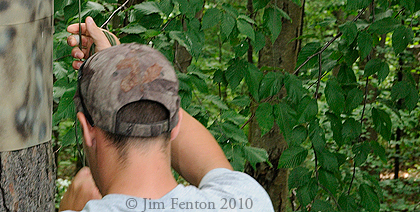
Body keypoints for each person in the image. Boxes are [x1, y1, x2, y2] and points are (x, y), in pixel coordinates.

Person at [59, 17, 274, 212]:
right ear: (176, 124)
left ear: (87, 130)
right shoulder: (247, 202)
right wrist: (119, 64)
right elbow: (210, 163)